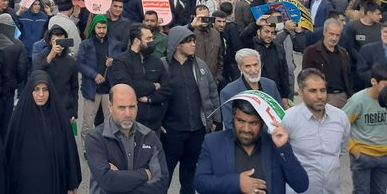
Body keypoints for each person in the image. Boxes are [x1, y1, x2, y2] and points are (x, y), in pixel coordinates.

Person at [194, 98, 309, 194]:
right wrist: (237, 183)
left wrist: (283, 148)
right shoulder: (213, 142)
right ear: (233, 118)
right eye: (241, 121)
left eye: (253, 123)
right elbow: (200, 183)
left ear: (263, 123)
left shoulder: (275, 145)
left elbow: (301, 185)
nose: (246, 129)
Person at [161, 25, 221, 194]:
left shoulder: (200, 65)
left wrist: (215, 119)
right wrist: (157, 122)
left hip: (197, 130)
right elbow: (153, 97)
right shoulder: (163, 66)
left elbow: (211, 91)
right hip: (171, 132)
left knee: (190, 174)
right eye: (188, 41)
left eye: (193, 40)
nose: (193, 44)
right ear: (177, 44)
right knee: (164, 173)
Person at [5, 70, 81, 193]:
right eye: (36, 89)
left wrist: (71, 185)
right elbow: (10, 157)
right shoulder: (19, 120)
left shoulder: (60, 119)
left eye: (45, 89)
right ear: (30, 91)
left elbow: (69, 154)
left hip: (54, 183)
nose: (41, 94)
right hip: (26, 185)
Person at [85, 83, 169, 194]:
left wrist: (119, 181)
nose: (128, 113)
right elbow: (107, 181)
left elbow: (161, 185)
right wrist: (145, 174)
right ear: (110, 107)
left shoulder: (149, 136)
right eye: (122, 107)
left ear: (137, 106)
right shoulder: (96, 138)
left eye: (132, 107)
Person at [281, 68, 350, 194]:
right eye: (313, 91)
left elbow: (341, 150)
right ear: (301, 93)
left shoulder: (340, 117)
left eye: (323, 90)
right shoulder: (287, 119)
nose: (319, 96)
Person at [110, 22, 171, 133]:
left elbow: (167, 89)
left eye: (152, 38)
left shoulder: (156, 62)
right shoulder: (121, 61)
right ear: (137, 41)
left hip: (154, 126)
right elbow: (126, 88)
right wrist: (153, 85)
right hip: (129, 126)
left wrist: (149, 99)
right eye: (148, 38)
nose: (152, 41)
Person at [342, 63, 387, 194]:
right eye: (385, 85)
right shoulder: (358, 101)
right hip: (363, 156)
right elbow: (341, 126)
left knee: (380, 191)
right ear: (374, 81)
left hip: (384, 156)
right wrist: (354, 149)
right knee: (361, 192)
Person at [77, 14, 122, 142]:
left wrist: (113, 63)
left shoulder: (114, 44)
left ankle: (108, 146)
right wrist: (94, 75)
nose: (102, 31)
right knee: (88, 123)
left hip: (109, 89)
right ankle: (87, 148)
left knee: (111, 122)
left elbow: (120, 62)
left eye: (104, 27)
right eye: (99, 28)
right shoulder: (86, 44)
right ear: (94, 28)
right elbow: (79, 63)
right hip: (92, 89)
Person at [220, 48, 281, 129]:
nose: (253, 70)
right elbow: (230, 126)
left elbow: (280, 115)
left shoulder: (270, 85)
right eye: (248, 66)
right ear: (240, 67)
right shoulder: (229, 92)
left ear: (260, 64)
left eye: (255, 65)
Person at [240, 14, 291, 107]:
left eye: (272, 33)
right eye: (266, 31)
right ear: (259, 31)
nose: (269, 35)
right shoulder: (251, 45)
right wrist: (255, 25)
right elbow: (243, 37)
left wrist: (285, 95)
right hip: (256, 94)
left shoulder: (278, 48)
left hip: (275, 94)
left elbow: (284, 72)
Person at [301, 18, 353, 108]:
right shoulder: (311, 52)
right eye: (331, 34)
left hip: (343, 97)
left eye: (337, 35)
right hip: (322, 97)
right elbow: (305, 77)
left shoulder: (344, 53)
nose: (334, 38)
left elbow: (348, 76)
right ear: (324, 32)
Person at [34, 25, 79, 123]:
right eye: (55, 40)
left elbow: (74, 88)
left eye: (61, 41)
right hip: (45, 107)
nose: (58, 44)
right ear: (50, 42)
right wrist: (50, 56)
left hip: (65, 108)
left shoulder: (71, 61)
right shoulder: (41, 57)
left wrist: (74, 112)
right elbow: (35, 76)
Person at [189, 5, 223, 85]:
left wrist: (218, 78)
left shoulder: (216, 34)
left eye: (206, 17)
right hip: (194, 81)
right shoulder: (189, 33)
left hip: (212, 81)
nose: (204, 20)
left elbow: (220, 58)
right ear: (195, 17)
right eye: (201, 17)